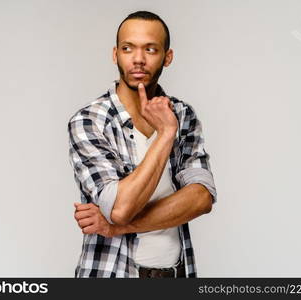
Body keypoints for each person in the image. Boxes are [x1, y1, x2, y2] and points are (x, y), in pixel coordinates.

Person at [67, 11, 217, 278]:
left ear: (167, 57)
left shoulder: (183, 115)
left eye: (150, 49)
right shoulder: (90, 120)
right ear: (115, 55)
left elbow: (201, 198)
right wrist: (166, 134)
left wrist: (116, 228)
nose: (138, 59)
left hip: (176, 274)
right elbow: (120, 208)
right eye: (128, 48)